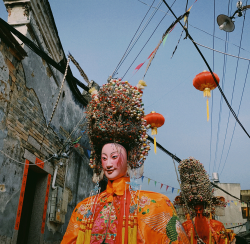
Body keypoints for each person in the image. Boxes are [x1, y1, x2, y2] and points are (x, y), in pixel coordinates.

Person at [61, 78, 189, 244]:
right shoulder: (84, 208)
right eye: (104, 158)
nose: (108, 164)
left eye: (114, 157)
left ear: (129, 158)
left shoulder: (156, 205)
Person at [174, 157, 235, 244]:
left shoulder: (217, 226)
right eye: (196, 210)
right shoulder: (185, 227)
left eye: (200, 209)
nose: (198, 212)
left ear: (205, 208)